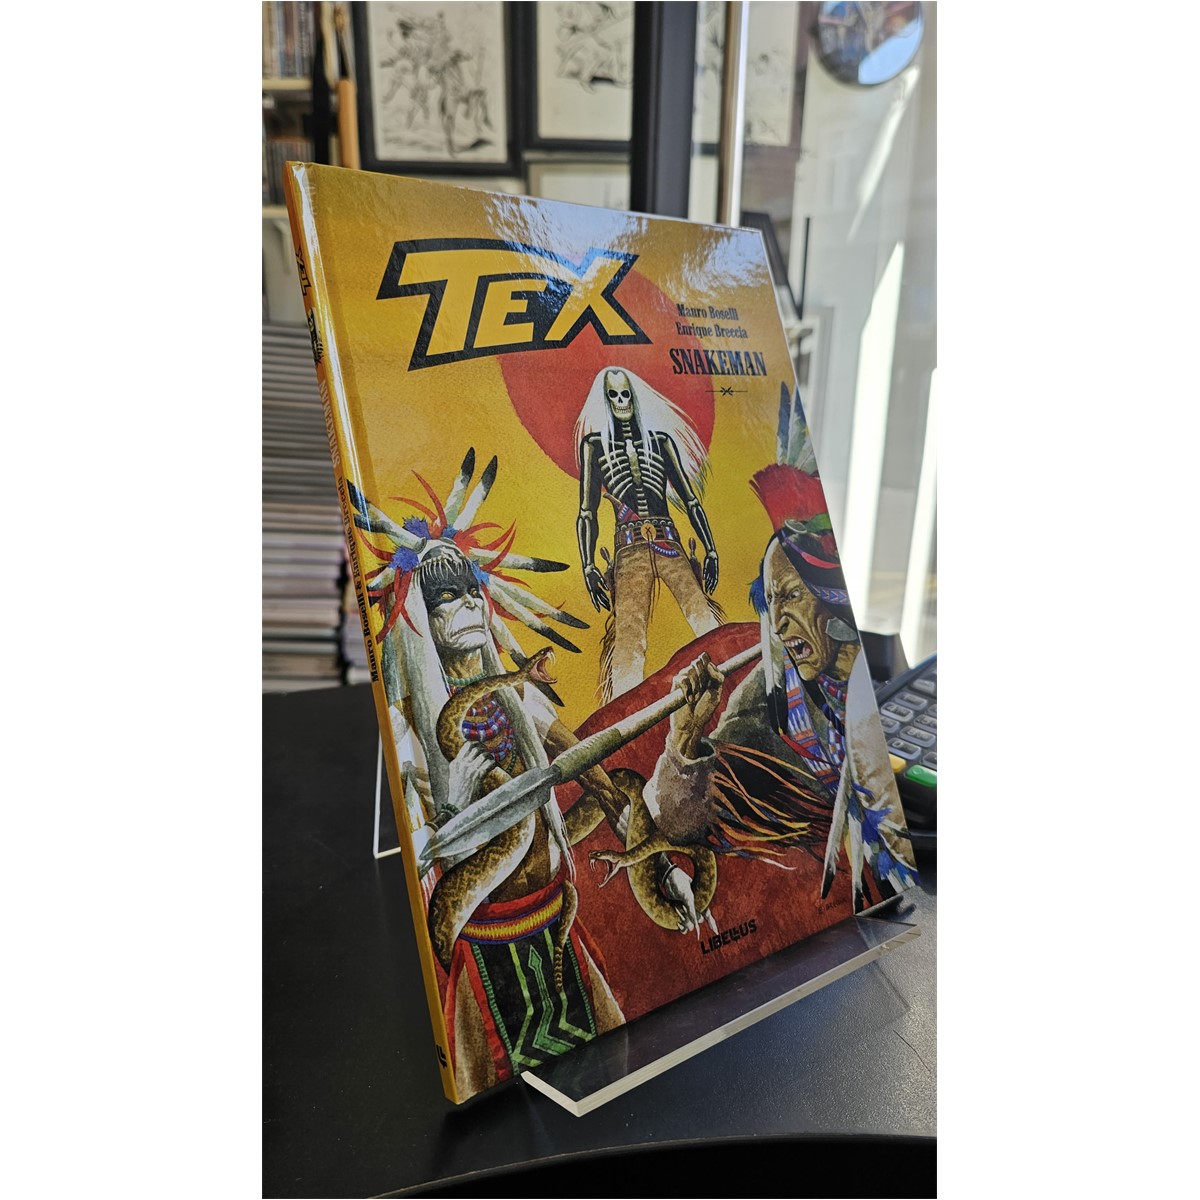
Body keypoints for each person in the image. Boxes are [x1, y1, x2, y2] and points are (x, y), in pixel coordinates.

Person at [350, 455, 626, 1100]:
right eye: (443, 596)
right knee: (488, 1082)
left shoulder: (513, 696)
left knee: (612, 1044)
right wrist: (448, 806)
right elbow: (426, 851)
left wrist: (628, 812)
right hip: (484, 933)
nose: (465, 602)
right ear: (419, 618)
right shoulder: (410, 726)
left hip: (554, 913)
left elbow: (586, 764)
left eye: (469, 589)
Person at [638, 463, 917, 912]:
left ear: (831, 591)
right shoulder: (775, 695)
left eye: (790, 595)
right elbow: (679, 823)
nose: (780, 622)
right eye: (771, 603)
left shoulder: (890, 654)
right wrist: (684, 740)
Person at [575, 366, 724, 701]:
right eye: (613, 396)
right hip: (628, 551)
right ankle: (627, 720)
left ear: (635, 397)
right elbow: (587, 511)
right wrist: (588, 566)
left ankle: (732, 684)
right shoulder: (594, 446)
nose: (621, 402)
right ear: (605, 401)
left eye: (625, 394)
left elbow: (690, 500)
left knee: (704, 619)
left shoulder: (660, 442)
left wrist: (711, 550)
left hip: (668, 542)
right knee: (629, 645)